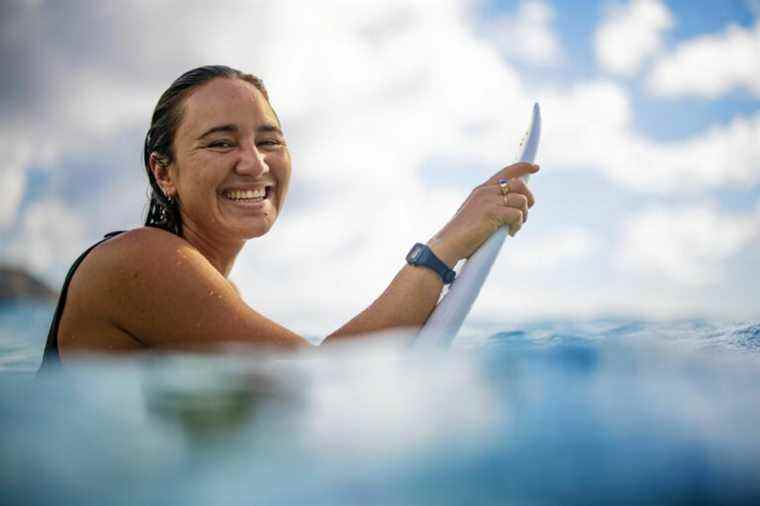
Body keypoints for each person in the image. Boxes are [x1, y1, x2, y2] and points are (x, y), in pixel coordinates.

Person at [39, 65, 537, 368]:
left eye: (270, 140)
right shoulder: (138, 261)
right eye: (220, 142)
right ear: (163, 173)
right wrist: (447, 244)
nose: (254, 163)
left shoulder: (215, 296)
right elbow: (322, 383)